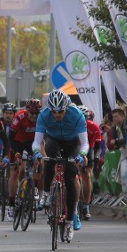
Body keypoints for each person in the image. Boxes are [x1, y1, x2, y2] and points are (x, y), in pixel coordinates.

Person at [32, 89, 89, 242]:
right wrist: (37, 152)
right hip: (53, 141)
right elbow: (37, 141)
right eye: (54, 112)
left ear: (67, 108)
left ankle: (70, 221)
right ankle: (45, 194)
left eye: (60, 111)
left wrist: (82, 155)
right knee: (49, 159)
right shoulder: (44, 115)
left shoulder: (76, 114)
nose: (57, 115)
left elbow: (85, 143)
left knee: (70, 176)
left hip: (73, 143)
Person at [8, 98, 41, 211]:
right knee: (16, 171)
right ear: (27, 111)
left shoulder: (41, 119)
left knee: (40, 162)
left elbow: (43, 138)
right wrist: (16, 152)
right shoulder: (19, 117)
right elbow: (11, 137)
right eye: (32, 113)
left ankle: (34, 187)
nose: (34, 116)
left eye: (36, 114)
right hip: (17, 142)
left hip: (31, 143)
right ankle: (11, 204)